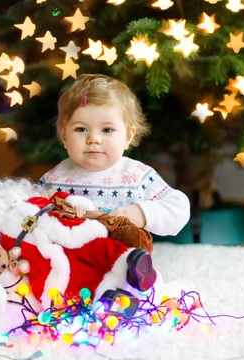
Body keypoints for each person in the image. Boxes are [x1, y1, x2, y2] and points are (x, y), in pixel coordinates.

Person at [39, 74, 190, 237]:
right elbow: (26, 216)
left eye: (107, 130)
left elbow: (178, 208)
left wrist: (144, 214)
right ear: (64, 135)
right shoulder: (54, 179)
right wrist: (38, 203)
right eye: (81, 129)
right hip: (69, 258)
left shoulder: (136, 175)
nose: (93, 139)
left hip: (122, 256)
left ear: (128, 136)